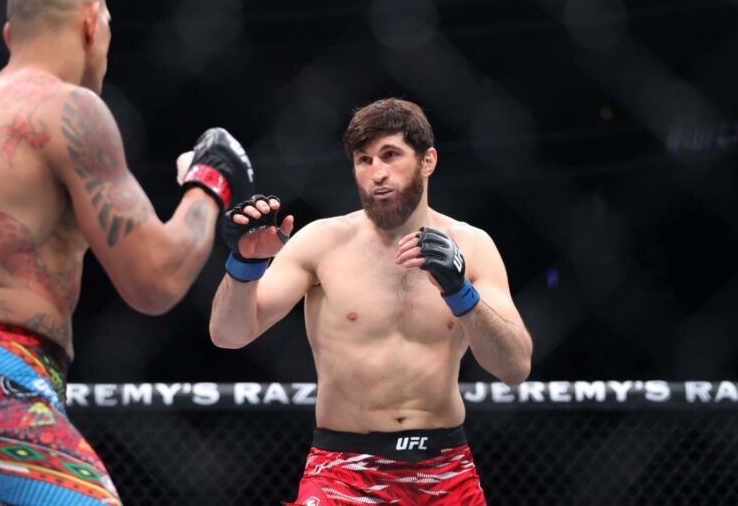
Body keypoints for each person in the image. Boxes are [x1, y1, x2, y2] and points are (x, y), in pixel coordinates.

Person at [0, 0, 254, 506]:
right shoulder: (70, 110)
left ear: (11, 34)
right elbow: (155, 280)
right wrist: (211, 181)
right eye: (107, 27)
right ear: (91, 23)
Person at [210, 98, 532, 505]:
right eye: (364, 160)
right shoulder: (321, 242)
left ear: (428, 161)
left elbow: (515, 367)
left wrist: (460, 293)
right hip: (343, 473)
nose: (377, 172)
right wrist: (244, 266)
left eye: (390, 155)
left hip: (445, 471)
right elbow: (229, 334)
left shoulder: (473, 246)